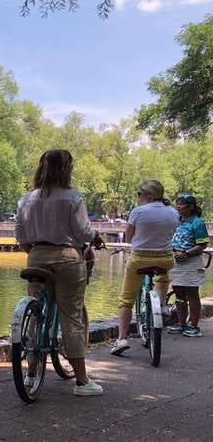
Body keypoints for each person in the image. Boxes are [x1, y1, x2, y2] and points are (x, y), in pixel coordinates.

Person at [15, 149, 103, 397]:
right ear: (67, 169)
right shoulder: (73, 198)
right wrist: (96, 238)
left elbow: (20, 235)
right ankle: (83, 382)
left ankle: (31, 372)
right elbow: (84, 232)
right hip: (67, 258)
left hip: (36, 257)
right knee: (71, 317)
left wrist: (34, 253)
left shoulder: (26, 199)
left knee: (36, 312)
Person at [111, 180, 178, 356]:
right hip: (165, 258)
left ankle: (121, 339)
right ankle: (162, 305)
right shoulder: (173, 212)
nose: (138, 197)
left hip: (139, 258)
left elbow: (129, 237)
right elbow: (171, 233)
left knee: (126, 300)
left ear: (148, 195)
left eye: (139, 194)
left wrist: (137, 243)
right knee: (162, 274)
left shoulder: (138, 211)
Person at [167, 194, 208, 338]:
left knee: (192, 294)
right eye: (177, 204)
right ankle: (181, 322)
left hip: (191, 262)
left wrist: (185, 253)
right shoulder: (176, 222)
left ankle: (194, 325)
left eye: (181, 204)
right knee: (179, 294)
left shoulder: (197, 223)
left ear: (191, 207)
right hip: (176, 262)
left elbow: (202, 244)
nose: (178, 206)